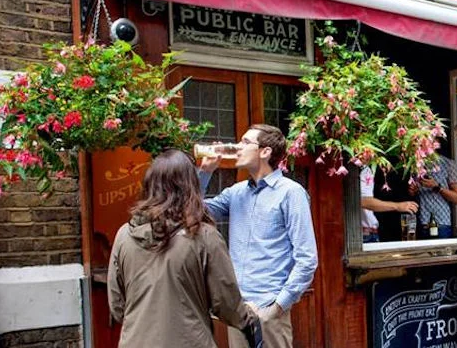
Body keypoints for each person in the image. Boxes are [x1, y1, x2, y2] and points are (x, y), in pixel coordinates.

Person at [108, 149, 262, 348]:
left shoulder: (124, 235)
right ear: (190, 185)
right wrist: (249, 317)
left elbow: (117, 306)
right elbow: (226, 303)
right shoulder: (203, 236)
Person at [199, 124, 318, 348]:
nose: (238, 146)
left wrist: (277, 307)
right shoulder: (236, 192)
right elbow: (193, 211)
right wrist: (205, 172)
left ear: (265, 152)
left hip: (269, 308)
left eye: (245, 142)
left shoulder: (291, 193)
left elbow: (307, 259)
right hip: (238, 309)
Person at [409, 153, 457, 239]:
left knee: (441, 248)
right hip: (421, 224)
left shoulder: (448, 164)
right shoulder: (415, 164)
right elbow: (411, 195)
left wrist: (437, 187)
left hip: (441, 224)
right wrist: (412, 191)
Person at [359, 167, 419, 242]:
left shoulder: (370, 170)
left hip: (378, 230)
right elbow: (364, 201)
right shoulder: (366, 170)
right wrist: (398, 206)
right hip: (368, 232)